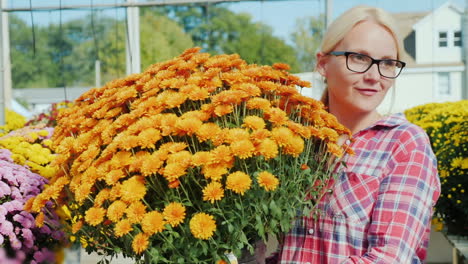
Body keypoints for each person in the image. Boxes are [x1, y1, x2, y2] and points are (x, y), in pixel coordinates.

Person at [273, 5, 441, 264]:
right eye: (359, 58)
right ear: (323, 64)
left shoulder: (405, 145)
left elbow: (389, 258)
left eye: (387, 62)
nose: (375, 76)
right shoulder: (299, 143)